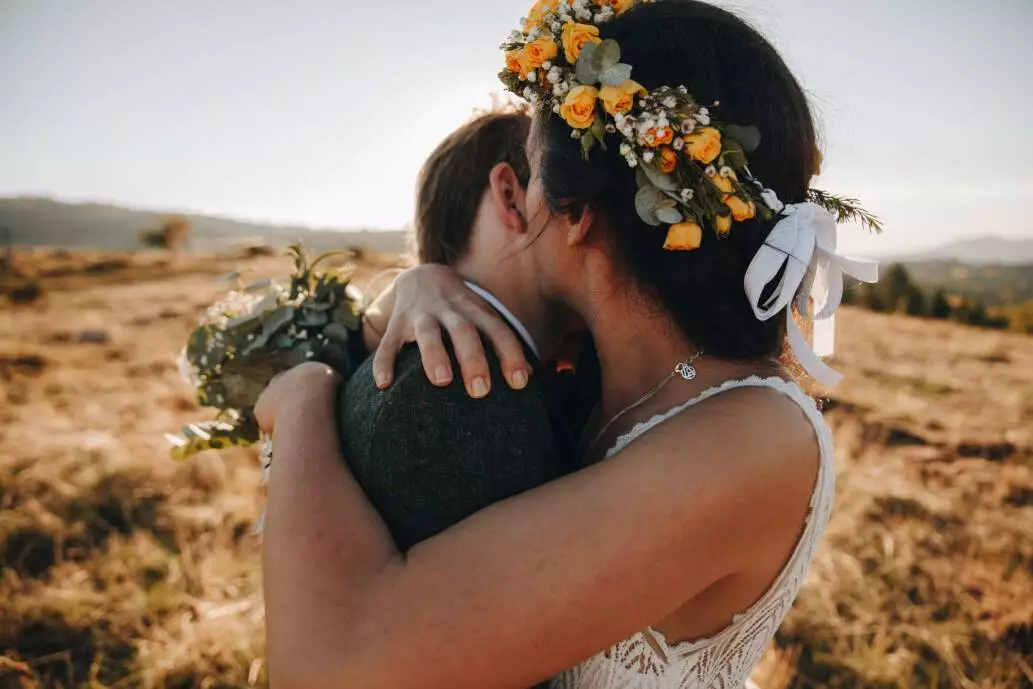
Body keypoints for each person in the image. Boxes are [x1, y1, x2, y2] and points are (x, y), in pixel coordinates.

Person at [256, 1, 878, 687]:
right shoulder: (597, 376)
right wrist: (419, 283)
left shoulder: (750, 439)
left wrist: (299, 395)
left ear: (577, 213)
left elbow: (324, 668)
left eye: (530, 166)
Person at [340, 106, 590, 552]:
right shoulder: (454, 394)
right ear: (512, 198)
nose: (590, 215)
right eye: (573, 187)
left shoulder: (552, 367)